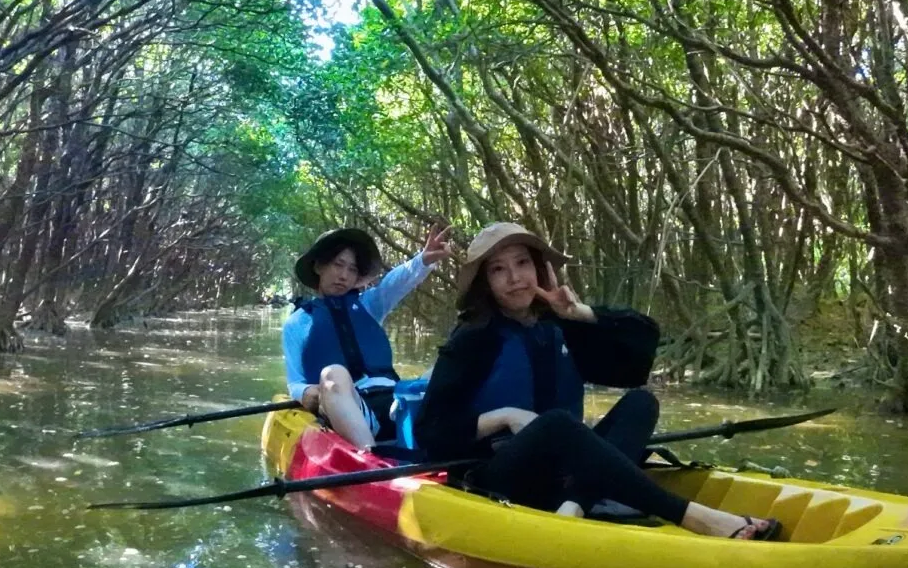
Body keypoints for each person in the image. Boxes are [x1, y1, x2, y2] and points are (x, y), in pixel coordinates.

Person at [414, 222, 781, 540]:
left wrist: (580, 313)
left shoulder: (560, 326)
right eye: (498, 269)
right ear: (486, 283)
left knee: (642, 403)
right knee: (556, 424)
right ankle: (699, 518)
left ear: (539, 268)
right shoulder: (474, 337)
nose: (515, 278)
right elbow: (431, 432)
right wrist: (506, 415)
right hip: (499, 473)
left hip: (565, 475)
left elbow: (641, 347)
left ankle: (575, 506)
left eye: (522, 263)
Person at [285, 225, 451, 450]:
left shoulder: (368, 305)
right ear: (318, 266)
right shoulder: (296, 323)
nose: (344, 275)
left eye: (352, 269)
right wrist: (308, 393)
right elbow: (295, 383)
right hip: (354, 408)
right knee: (333, 374)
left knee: (447, 364)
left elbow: (395, 283)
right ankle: (370, 459)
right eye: (338, 265)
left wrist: (424, 259)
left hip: (397, 403)